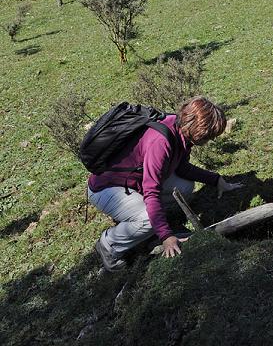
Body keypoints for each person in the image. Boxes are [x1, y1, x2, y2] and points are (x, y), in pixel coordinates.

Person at [88, 96, 243, 271]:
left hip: (133, 183)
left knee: (184, 186)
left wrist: (216, 180)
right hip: (107, 189)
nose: (211, 140)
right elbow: (151, 191)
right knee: (147, 220)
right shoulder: (161, 142)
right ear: (199, 131)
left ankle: (149, 223)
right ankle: (109, 244)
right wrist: (166, 236)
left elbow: (182, 168)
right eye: (210, 136)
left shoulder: (179, 129)